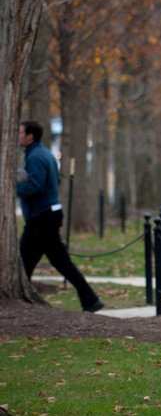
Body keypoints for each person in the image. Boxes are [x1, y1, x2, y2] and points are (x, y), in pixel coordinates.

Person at [16, 121, 103, 312]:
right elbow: (52, 180)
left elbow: (35, 186)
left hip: (42, 217)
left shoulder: (36, 157)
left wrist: (13, 186)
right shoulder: (44, 153)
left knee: (24, 260)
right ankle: (90, 299)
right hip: (49, 215)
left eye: (21, 132)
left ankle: (21, 301)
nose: (18, 135)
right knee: (57, 261)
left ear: (30, 136)